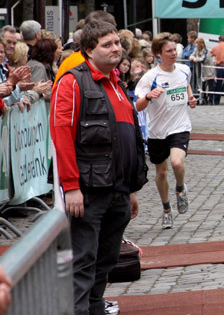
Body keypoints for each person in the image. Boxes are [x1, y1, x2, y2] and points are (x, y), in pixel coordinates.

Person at [50, 20, 148, 315]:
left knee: (106, 260)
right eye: (107, 44)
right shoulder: (72, 82)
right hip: (89, 190)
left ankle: (94, 308)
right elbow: (61, 135)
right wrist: (71, 186)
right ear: (89, 50)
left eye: (117, 42)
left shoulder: (117, 83)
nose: (116, 48)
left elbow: (128, 137)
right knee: (84, 261)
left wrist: (130, 188)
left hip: (118, 189)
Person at [135, 32, 197, 229]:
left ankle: (180, 188)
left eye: (174, 50)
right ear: (158, 54)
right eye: (169, 51)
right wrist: (148, 97)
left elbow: (186, 86)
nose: (173, 54)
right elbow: (138, 106)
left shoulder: (185, 70)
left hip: (180, 126)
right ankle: (167, 209)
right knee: (161, 173)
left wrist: (191, 97)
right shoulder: (150, 77)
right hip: (157, 131)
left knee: (177, 163)